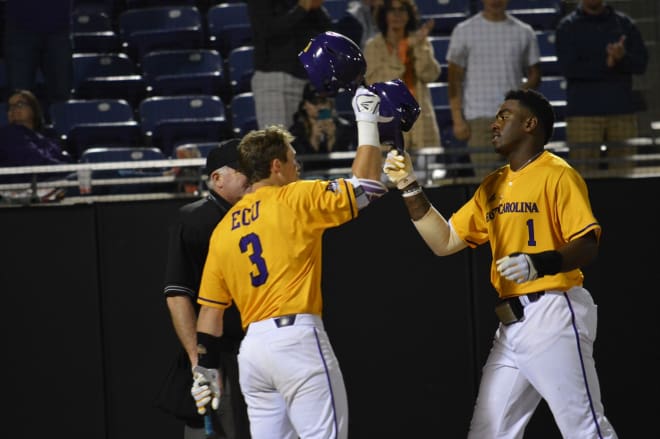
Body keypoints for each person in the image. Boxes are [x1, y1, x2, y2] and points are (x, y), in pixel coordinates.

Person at [188, 32, 417, 439]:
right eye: (293, 161)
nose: (297, 168)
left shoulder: (223, 230)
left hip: (253, 355)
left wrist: (204, 370)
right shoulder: (293, 198)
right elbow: (364, 185)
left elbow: (209, 313)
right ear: (276, 166)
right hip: (297, 342)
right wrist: (366, 121)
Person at [383, 88, 618, 438]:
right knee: (488, 432)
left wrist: (539, 263)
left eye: (504, 115)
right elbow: (444, 241)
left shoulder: (557, 173)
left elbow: (587, 244)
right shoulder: (492, 184)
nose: (494, 124)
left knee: (583, 427)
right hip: (511, 324)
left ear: (530, 123)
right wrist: (407, 185)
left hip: (552, 309)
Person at [157, 139, 252, 439]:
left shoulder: (265, 212)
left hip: (260, 347)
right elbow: (177, 295)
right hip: (218, 352)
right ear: (217, 178)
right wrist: (200, 363)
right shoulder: (196, 219)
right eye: (242, 170)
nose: (251, 175)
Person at [446, 0, 541, 179]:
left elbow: (535, 74)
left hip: (515, 121)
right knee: (488, 186)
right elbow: (453, 79)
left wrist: (520, 98)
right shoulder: (464, 30)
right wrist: (457, 119)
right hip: (480, 121)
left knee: (519, 184)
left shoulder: (524, 31)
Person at [555, 0, 648, 175]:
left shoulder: (625, 24)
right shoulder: (567, 27)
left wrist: (621, 58)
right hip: (583, 116)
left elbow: (641, 64)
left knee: (625, 176)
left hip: (622, 112)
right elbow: (569, 68)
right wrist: (608, 64)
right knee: (584, 179)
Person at [364, 0, 441, 152]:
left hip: (420, 122)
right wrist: (403, 49)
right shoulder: (373, 46)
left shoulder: (419, 41)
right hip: (389, 121)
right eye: (392, 10)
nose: (397, 14)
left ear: (409, 15)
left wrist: (419, 47)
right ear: (384, 15)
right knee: (392, 174)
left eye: (402, 10)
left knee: (424, 174)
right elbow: (377, 83)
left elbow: (430, 75)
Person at [247, 0, 332, 130]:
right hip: (275, 82)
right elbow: (266, 30)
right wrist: (302, 8)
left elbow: (326, 32)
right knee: (276, 146)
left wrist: (315, 8)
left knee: (322, 140)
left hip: (312, 84)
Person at [3, 0, 72, 111]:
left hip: (58, 28)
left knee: (61, 94)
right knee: (20, 97)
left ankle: (62, 127)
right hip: (19, 28)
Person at [0, 89, 71, 183]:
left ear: (33, 109)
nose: (13, 109)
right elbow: (34, 161)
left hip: (52, 181)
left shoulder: (46, 137)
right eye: (10, 107)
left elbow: (62, 158)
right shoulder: (8, 134)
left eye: (19, 104)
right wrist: (69, 169)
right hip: (27, 187)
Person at [289, 82, 357, 157]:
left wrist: (332, 139)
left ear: (330, 104)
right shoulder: (295, 132)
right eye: (314, 102)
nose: (319, 107)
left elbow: (347, 160)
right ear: (304, 105)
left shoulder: (344, 128)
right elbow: (299, 163)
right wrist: (314, 140)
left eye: (323, 101)